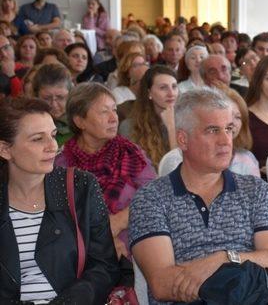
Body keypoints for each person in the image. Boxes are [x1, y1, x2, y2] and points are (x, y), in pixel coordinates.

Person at [128, 88, 268, 305]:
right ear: (183, 140)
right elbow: (163, 283)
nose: (226, 140)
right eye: (213, 130)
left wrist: (223, 259)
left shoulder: (255, 190)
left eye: (229, 129)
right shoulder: (151, 199)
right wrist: (258, 281)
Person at [0, 97, 120, 304]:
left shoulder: (81, 185)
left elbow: (105, 266)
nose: (52, 146)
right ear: (5, 149)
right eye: (38, 139)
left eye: (53, 135)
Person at [55, 83, 156, 261]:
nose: (113, 118)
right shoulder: (61, 164)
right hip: (81, 255)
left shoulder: (131, 154)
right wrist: (100, 234)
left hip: (136, 251)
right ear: (80, 121)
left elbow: (154, 197)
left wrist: (118, 221)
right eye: (104, 112)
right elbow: (58, 218)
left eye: (114, 110)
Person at [119, 66, 178, 168]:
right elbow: (175, 170)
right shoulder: (129, 127)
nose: (171, 93)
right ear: (149, 93)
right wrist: (171, 128)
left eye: (174, 86)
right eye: (163, 88)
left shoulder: (187, 120)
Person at [32, 63, 74, 145]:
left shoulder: (81, 125)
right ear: (36, 96)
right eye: (46, 98)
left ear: (70, 95)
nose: (54, 104)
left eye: (60, 97)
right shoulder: (24, 124)